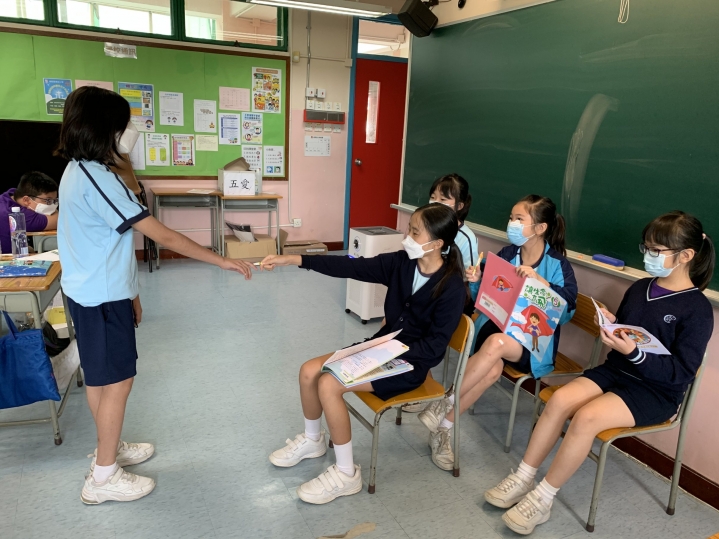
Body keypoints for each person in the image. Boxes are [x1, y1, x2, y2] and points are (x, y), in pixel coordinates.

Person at [56, 86, 254, 505]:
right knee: (117, 381)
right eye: (122, 127)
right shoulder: (98, 178)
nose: (126, 134)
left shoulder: (78, 169)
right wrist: (220, 260)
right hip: (101, 297)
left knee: (101, 377)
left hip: (92, 292)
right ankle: (104, 476)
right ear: (105, 129)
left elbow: (107, 241)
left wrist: (132, 293)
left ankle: (109, 447)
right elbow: (162, 235)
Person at [485, 211, 714, 535]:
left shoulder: (698, 309)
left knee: (586, 418)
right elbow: (628, 331)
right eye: (646, 247)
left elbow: (681, 373)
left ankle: (543, 497)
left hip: (656, 391)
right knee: (559, 400)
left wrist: (634, 352)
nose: (648, 256)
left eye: (656, 250)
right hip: (617, 370)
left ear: (686, 255)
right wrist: (610, 325)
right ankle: (523, 477)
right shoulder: (640, 287)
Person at [260, 203, 467, 504]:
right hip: (380, 350)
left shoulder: (452, 287)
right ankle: (313, 440)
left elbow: (434, 349)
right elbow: (351, 266)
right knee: (308, 371)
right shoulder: (402, 262)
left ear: (436, 244)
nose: (406, 238)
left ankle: (347, 474)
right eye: (409, 230)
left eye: (414, 232)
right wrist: (294, 259)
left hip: (410, 365)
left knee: (328, 384)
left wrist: (391, 352)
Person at [419, 195, 578, 471]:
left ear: (540, 228)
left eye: (519, 219)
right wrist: (475, 280)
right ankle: (443, 429)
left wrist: (542, 282)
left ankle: (446, 401)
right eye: (511, 218)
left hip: (529, 344)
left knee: (496, 344)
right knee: (491, 371)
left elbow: (567, 313)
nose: (512, 223)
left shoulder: (557, 265)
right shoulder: (506, 255)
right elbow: (483, 298)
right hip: (495, 329)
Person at [428, 173, 478, 271]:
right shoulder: (425, 225)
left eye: (443, 199)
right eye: (433, 197)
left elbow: (469, 274)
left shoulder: (467, 238)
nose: (435, 203)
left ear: (459, 206)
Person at [0, 171, 59, 254]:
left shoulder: (10, 196)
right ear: (26, 200)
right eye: (48, 200)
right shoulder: (16, 215)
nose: (53, 205)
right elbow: (58, 220)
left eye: (54, 201)